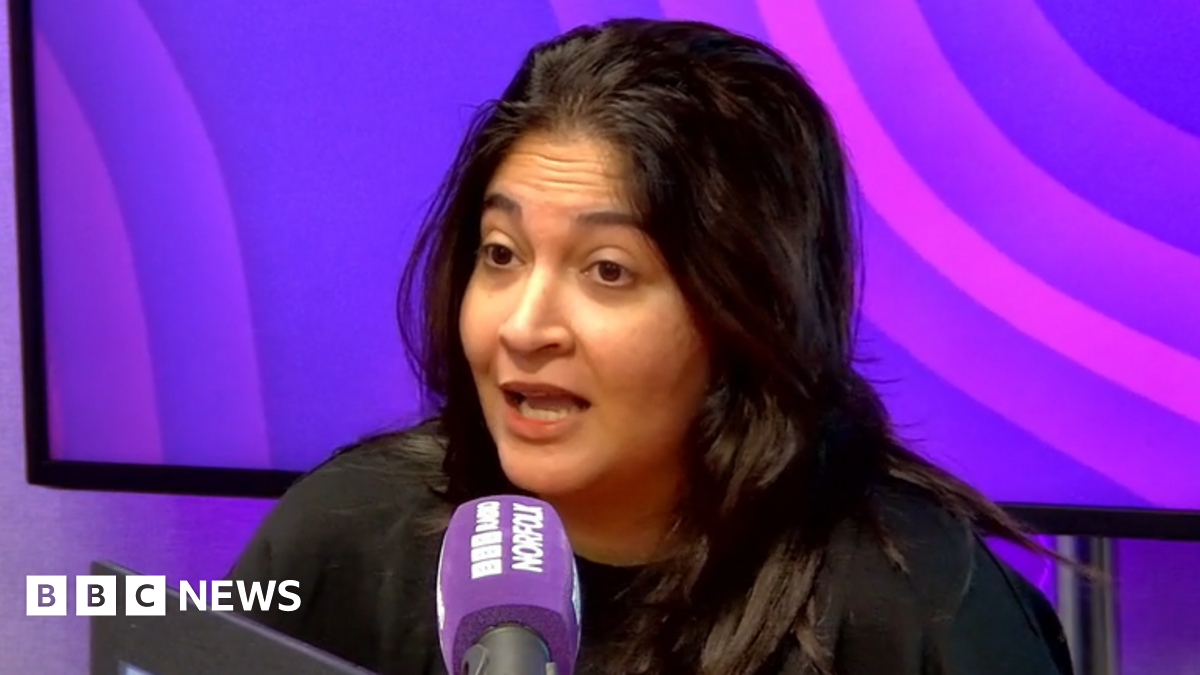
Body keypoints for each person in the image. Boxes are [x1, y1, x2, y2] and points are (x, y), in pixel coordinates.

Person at [227, 18, 1074, 675]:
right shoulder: (347, 536)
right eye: (501, 255)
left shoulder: (922, 613)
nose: (524, 326)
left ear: (745, 310)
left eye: (608, 270)